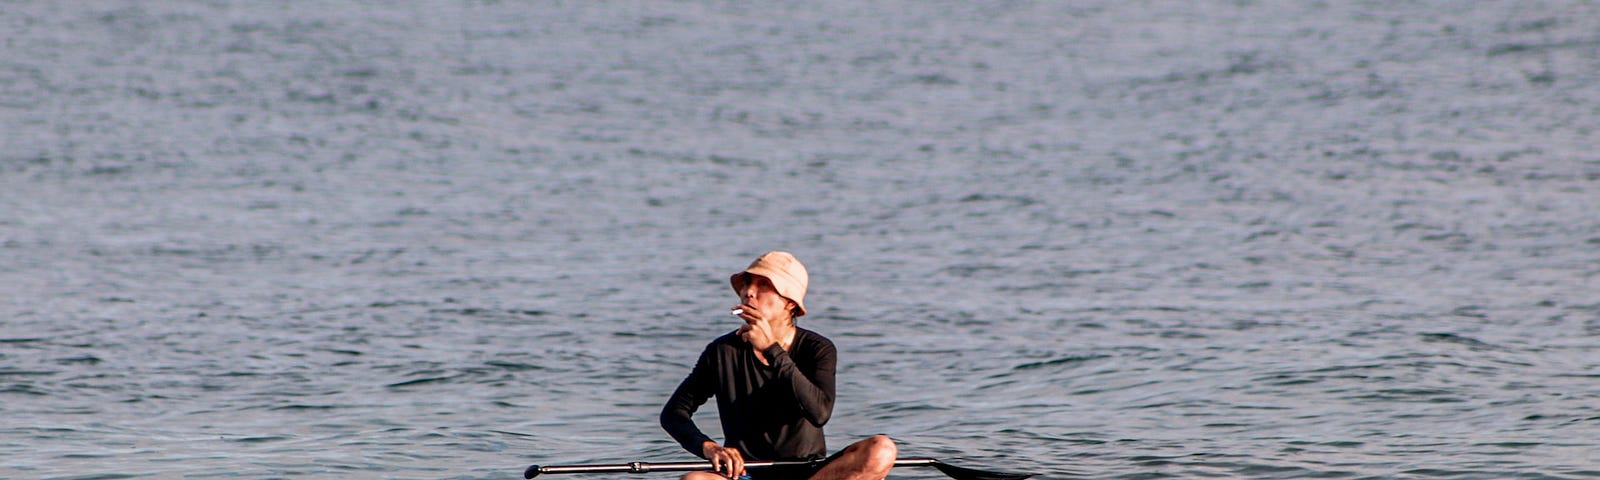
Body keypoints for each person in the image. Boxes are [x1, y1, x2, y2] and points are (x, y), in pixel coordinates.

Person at [660, 251, 898, 480]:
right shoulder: (722, 351)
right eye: (746, 284)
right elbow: (673, 414)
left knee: (882, 449)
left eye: (763, 285)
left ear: (790, 303)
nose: (748, 292)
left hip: (812, 472)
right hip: (745, 474)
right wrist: (709, 448)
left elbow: (820, 413)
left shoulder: (818, 348)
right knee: (694, 479)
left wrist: (771, 349)